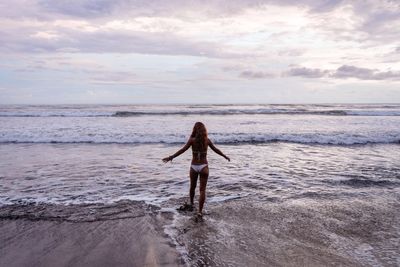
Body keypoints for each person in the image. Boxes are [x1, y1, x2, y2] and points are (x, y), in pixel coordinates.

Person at [162, 122, 230, 218]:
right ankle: (200, 211)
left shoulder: (192, 140)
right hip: (204, 167)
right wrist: (224, 156)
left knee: (192, 187)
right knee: (202, 190)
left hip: (194, 167)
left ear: (195, 130)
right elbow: (216, 150)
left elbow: (182, 150)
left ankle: (192, 203)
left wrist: (171, 157)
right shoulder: (207, 141)